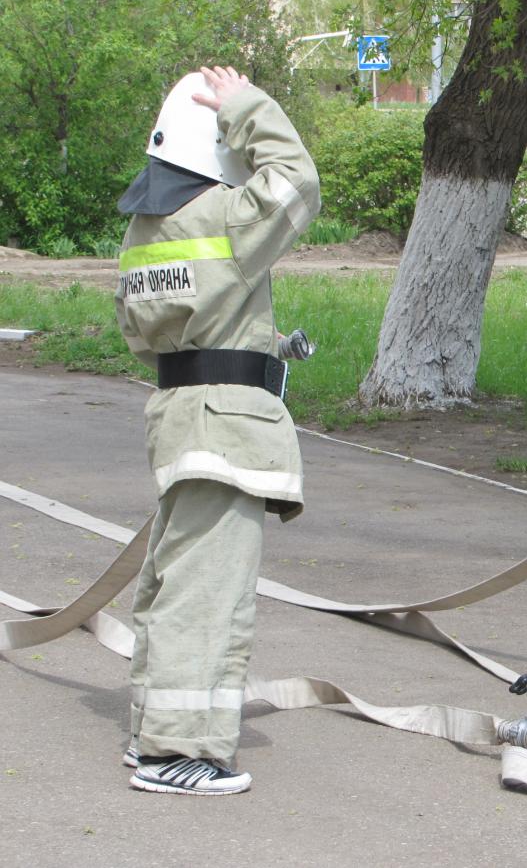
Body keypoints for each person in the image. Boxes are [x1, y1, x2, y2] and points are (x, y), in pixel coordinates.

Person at [114, 66, 321, 795]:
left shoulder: (144, 231)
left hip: (177, 420)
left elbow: (141, 339)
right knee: (209, 595)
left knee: (174, 585)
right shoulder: (227, 215)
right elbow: (297, 182)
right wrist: (248, 106)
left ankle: (153, 736)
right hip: (227, 430)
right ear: (218, 143)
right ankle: (180, 752)